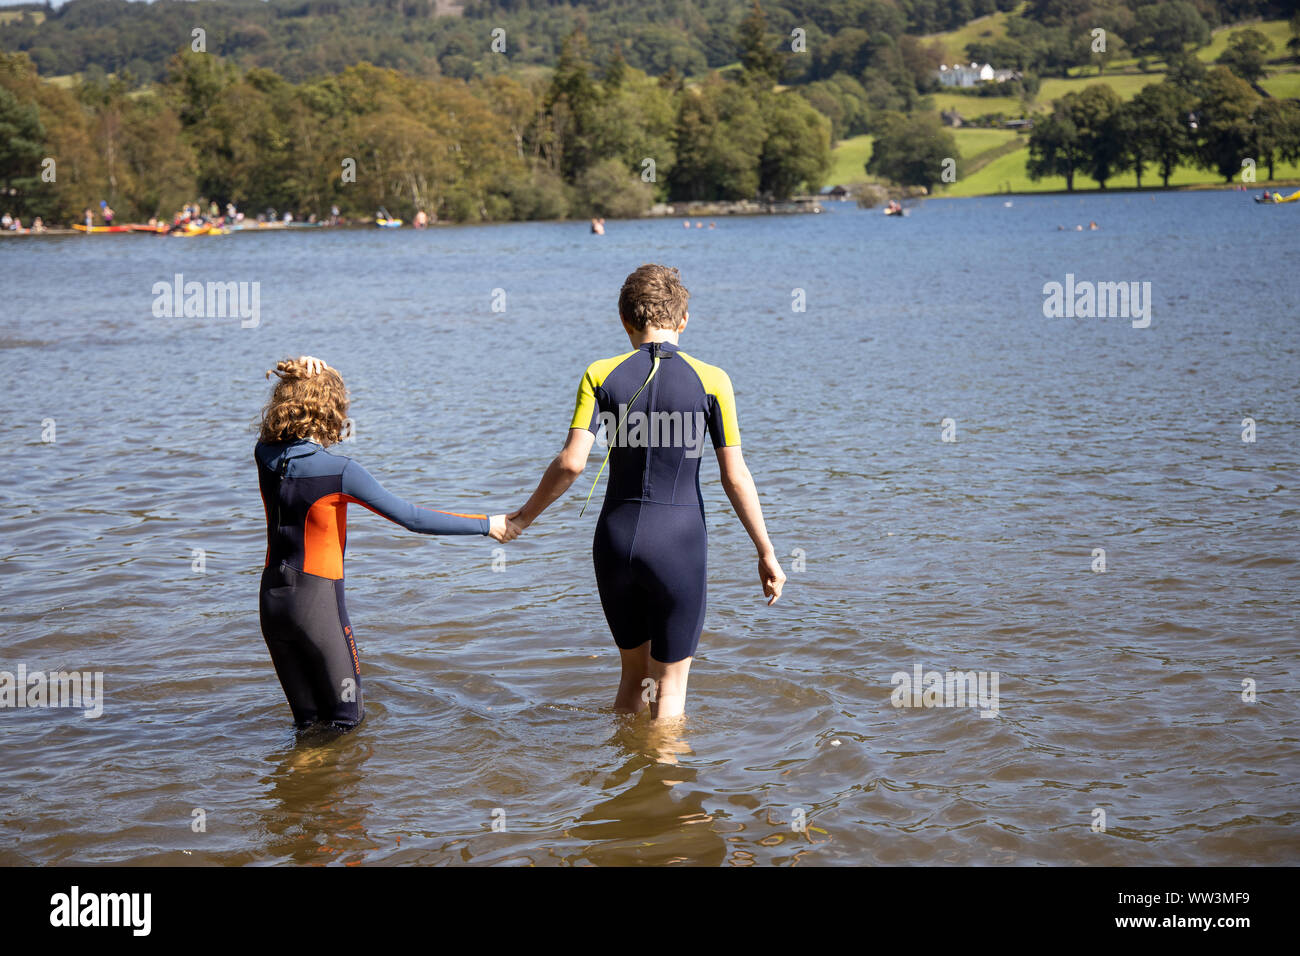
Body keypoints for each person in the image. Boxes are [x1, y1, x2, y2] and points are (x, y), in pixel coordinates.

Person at [508, 265, 785, 721]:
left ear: (624, 320)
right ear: (684, 320)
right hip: (678, 542)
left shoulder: (600, 373)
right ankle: (659, 787)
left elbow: (572, 462)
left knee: (634, 678)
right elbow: (734, 476)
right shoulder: (713, 380)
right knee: (670, 689)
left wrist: (523, 518)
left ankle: (623, 776)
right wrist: (766, 552)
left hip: (615, 540)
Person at [255, 356, 521, 731]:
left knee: (308, 724)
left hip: (272, 604)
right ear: (331, 410)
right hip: (318, 607)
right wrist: (487, 525)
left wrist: (301, 371)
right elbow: (411, 517)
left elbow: (275, 432)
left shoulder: (265, 454)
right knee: (347, 723)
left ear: (287, 402)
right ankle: (323, 784)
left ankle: (299, 782)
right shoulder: (341, 471)